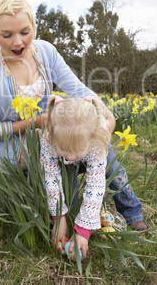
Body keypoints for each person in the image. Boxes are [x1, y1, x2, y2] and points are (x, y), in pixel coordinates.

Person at [0, 0, 147, 231]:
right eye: (6, 35)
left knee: (101, 148)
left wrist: (104, 114)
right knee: (65, 154)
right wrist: (37, 122)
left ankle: (132, 213)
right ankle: (69, 216)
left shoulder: (45, 52)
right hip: (12, 148)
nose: (18, 42)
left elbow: (77, 89)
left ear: (33, 25)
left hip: (52, 133)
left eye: (25, 32)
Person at [40, 94, 111, 260]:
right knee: (67, 176)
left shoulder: (96, 141)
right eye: (65, 149)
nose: (71, 157)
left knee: (115, 171)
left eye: (76, 151)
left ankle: (132, 212)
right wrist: (59, 218)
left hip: (95, 150)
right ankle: (69, 215)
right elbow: (51, 177)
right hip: (75, 147)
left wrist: (83, 230)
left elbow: (95, 185)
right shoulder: (48, 139)